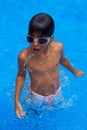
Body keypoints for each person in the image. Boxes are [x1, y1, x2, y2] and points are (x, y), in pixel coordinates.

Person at [15, 13, 84, 118]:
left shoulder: (58, 48)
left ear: (51, 39)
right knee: (33, 116)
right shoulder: (24, 57)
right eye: (30, 38)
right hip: (36, 96)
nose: (35, 43)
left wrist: (74, 71)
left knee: (56, 113)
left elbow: (63, 60)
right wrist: (16, 100)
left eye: (42, 40)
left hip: (57, 92)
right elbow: (21, 75)